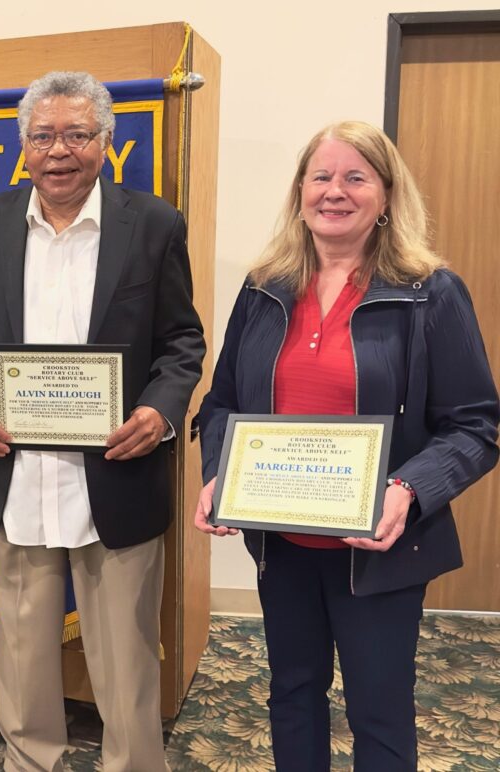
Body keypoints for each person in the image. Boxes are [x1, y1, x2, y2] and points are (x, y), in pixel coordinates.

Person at [194, 121, 499, 771]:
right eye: (321, 176)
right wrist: (221, 471)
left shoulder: (430, 292)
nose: (335, 191)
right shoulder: (263, 287)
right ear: (300, 191)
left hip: (380, 549)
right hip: (283, 543)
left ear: (387, 196)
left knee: (379, 710)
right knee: (293, 693)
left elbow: (476, 424)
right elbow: (222, 403)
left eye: (356, 177)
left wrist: (407, 489)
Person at [0, 71, 206, 772]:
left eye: (76, 134)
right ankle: (28, 760)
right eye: (42, 136)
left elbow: (182, 342)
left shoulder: (152, 224)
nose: (58, 151)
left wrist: (158, 412)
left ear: (106, 142)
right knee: (24, 647)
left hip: (117, 473)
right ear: (23, 147)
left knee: (125, 658)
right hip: (19, 469)